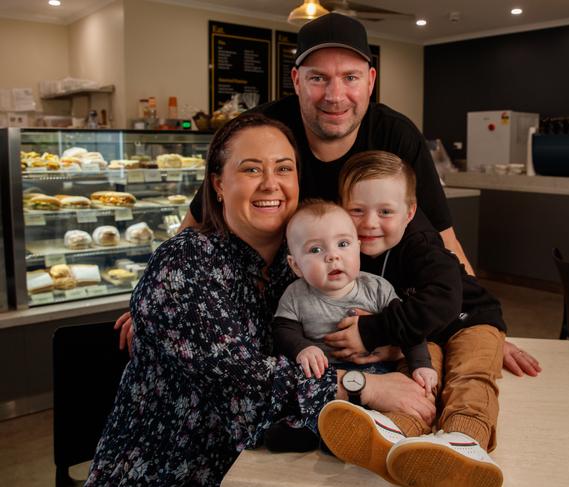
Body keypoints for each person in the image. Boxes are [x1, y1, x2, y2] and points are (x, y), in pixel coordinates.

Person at [114, 13, 539, 379]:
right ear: (297, 81)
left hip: (377, 304)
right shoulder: (264, 130)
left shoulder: (395, 135)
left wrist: (477, 326)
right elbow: (201, 216)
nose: (335, 96)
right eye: (318, 78)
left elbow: (444, 243)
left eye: (350, 78)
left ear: (370, 81)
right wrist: (153, 298)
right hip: (293, 310)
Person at [85, 114, 435, 486]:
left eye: (284, 168)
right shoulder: (186, 261)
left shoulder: (301, 260)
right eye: (252, 169)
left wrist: (388, 344)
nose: (271, 184)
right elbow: (243, 382)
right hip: (173, 468)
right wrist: (363, 385)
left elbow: (383, 309)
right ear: (218, 185)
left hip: (269, 461)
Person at [318, 150, 508, 487]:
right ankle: (395, 433)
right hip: (420, 335)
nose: (369, 223)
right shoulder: (348, 248)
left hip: (471, 319)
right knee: (417, 380)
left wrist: (373, 330)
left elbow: (444, 300)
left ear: (410, 212)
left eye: (385, 212)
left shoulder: (421, 244)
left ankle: (465, 442)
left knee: (470, 375)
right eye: (357, 210)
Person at [274, 199, 438, 389]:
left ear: (358, 248)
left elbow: (407, 329)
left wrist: (421, 364)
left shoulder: (377, 288)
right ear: (296, 266)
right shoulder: (295, 294)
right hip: (326, 378)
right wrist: (302, 348)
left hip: (380, 372)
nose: (333, 256)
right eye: (316, 249)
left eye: (343, 244)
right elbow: (282, 330)